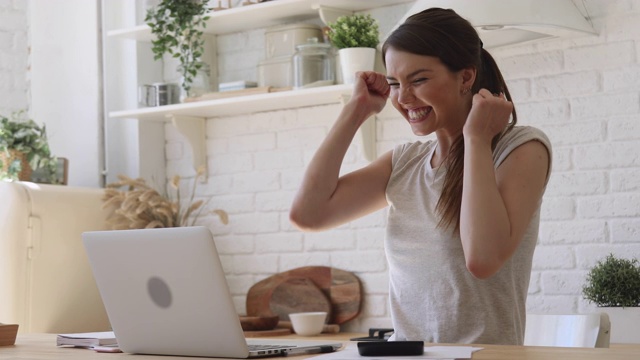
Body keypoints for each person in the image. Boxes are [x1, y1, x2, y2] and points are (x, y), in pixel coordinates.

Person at [289, 7, 552, 345]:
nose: (403, 97)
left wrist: (476, 139)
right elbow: (308, 215)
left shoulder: (521, 148)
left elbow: (483, 259)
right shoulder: (405, 163)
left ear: (466, 77)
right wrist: (356, 111)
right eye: (396, 83)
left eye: (419, 80)